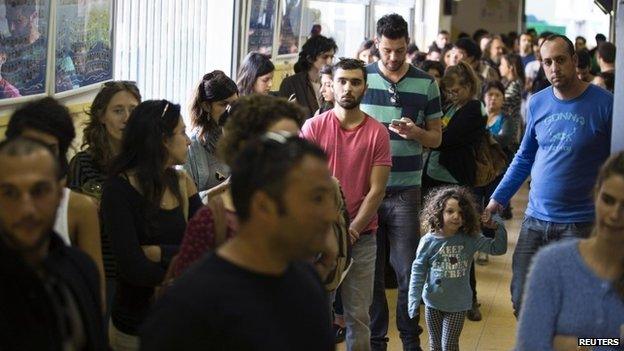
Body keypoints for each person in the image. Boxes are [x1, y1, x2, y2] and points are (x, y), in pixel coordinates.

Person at [140, 135, 335, 350]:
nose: (330, 215)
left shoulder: (306, 280)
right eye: (316, 199)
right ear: (264, 206)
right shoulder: (189, 306)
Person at [485, 34, 613, 317]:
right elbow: (524, 156)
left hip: (580, 224)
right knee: (522, 299)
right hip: (535, 221)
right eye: (547, 62)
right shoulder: (538, 102)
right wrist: (498, 198)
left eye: (560, 60)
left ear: (575, 61)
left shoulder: (605, 105)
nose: (554, 67)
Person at [360, 13, 443, 351]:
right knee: (371, 275)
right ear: (376, 46)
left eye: (400, 50)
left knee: (408, 270)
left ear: (408, 45)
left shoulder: (426, 83)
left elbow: (436, 139)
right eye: (387, 50)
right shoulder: (360, 79)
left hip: (407, 189)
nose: (393, 57)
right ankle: (377, 339)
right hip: (367, 191)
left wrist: (417, 133)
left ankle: (410, 339)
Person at [302, 58, 392, 351]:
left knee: (358, 317)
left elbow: (377, 190)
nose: (348, 88)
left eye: (355, 82)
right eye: (342, 81)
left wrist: (351, 232)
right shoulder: (314, 127)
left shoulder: (377, 132)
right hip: (318, 237)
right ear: (332, 84)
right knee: (315, 315)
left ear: (365, 87)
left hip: (362, 237)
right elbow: (302, 183)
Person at [101, 100, 201, 348]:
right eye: (182, 133)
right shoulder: (118, 190)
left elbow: (205, 247)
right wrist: (184, 268)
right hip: (136, 327)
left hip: (180, 320)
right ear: (162, 140)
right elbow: (133, 268)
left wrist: (159, 252)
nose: (188, 141)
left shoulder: (181, 180)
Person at [170, 95, 305, 278]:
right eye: (278, 142)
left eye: (296, 141)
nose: (292, 153)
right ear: (245, 147)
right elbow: (184, 293)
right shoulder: (211, 223)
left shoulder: (304, 205)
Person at [0, 137, 107, 350]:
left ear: (60, 195)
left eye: (39, 191)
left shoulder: (81, 267)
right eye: (9, 193)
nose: (27, 209)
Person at [516, 151, 624, 351]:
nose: (615, 215)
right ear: (595, 195)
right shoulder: (553, 263)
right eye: (608, 200)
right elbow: (531, 343)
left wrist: (584, 344)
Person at [5, 97, 105, 300]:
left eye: (48, 149)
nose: (37, 158)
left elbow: (95, 295)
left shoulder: (78, 208)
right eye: (30, 147)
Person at [67, 80, 141, 323]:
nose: (127, 118)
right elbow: (76, 228)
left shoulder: (146, 163)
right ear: (101, 116)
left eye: (133, 110)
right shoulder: (84, 164)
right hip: (103, 271)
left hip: (141, 269)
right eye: (118, 110)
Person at [408, 186, 507, 351]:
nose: (456, 216)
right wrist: (413, 301)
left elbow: (498, 249)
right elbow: (418, 272)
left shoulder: (470, 238)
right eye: (450, 211)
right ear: (439, 212)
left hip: (458, 304)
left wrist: (498, 227)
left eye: (461, 213)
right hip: (433, 302)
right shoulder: (428, 241)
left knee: (449, 345)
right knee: (435, 345)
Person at [184, 71, 238, 199]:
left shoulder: (241, 139)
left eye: (234, 104)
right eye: (224, 104)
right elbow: (186, 201)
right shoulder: (191, 146)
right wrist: (225, 186)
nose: (230, 110)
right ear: (206, 106)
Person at [278, 35, 337, 119]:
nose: (330, 62)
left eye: (332, 57)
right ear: (310, 58)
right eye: (325, 57)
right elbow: (281, 117)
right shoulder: (290, 83)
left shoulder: (333, 81)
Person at [498, 53, 523, 150]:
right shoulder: (506, 83)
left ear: (510, 67)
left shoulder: (515, 86)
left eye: (502, 64)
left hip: (510, 132)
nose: (499, 67)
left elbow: (502, 105)